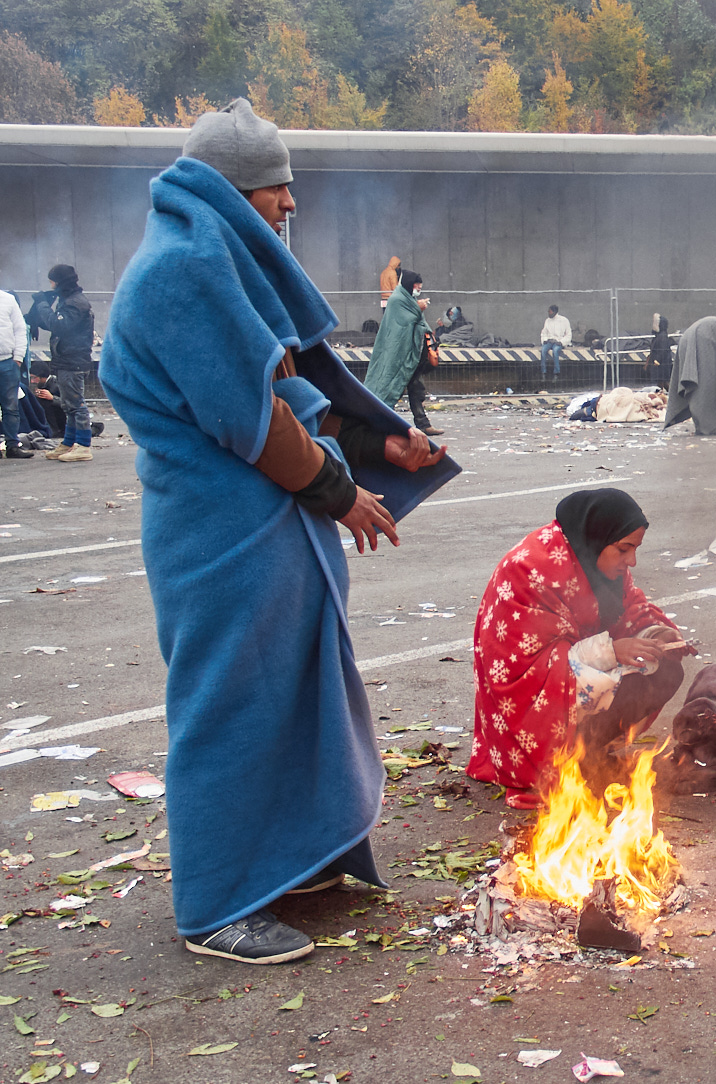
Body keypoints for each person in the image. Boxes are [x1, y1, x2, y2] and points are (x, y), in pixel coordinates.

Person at [98, 98, 454, 965]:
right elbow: (251, 420)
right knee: (227, 709)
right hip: (219, 538)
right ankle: (216, 905)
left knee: (294, 697)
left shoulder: (215, 259)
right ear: (229, 189)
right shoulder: (183, 269)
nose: (290, 202)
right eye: (275, 186)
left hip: (261, 532)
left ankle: (294, 859)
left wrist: (377, 444)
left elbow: (287, 390)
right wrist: (342, 493)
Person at [468, 489, 692, 808]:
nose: (631, 561)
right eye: (624, 549)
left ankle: (588, 754)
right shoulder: (529, 569)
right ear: (597, 537)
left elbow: (632, 610)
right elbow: (529, 670)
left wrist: (659, 636)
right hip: (526, 697)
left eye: (635, 549)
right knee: (586, 680)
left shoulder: (601, 562)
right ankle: (553, 765)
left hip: (579, 672)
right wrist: (611, 651)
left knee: (665, 670)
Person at [24, 264, 94, 462]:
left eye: (52, 281)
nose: (51, 286)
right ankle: (69, 442)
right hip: (66, 360)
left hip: (74, 361)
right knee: (69, 405)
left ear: (59, 281)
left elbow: (59, 325)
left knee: (76, 404)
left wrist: (42, 304)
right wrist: (37, 320)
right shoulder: (69, 300)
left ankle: (83, 446)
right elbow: (60, 325)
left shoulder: (75, 302)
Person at [363, 270, 442, 436]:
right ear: (408, 284)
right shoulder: (397, 300)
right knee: (391, 387)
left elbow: (418, 322)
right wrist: (418, 309)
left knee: (416, 388)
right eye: (416, 285)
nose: (418, 288)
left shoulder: (408, 299)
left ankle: (422, 423)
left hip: (411, 356)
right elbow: (403, 322)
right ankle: (379, 420)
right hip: (399, 355)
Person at [1, 288, 31, 459]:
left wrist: (18, 358)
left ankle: (12, 446)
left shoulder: (8, 299)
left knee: (11, 407)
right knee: (10, 407)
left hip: (7, 362)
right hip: (8, 363)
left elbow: (20, 330)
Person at [540, 304, 570, 379]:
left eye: (550, 312)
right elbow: (544, 333)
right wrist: (545, 340)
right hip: (549, 341)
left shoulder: (564, 320)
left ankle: (556, 373)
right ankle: (543, 372)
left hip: (558, 341)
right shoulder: (547, 321)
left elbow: (568, 334)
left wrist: (562, 342)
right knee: (543, 351)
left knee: (555, 351)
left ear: (555, 312)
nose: (548, 313)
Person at [646, 312, 672, 386]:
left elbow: (662, 350)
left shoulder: (662, 336)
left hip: (661, 364)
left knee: (663, 381)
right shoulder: (661, 335)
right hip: (662, 363)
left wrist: (657, 360)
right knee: (662, 381)